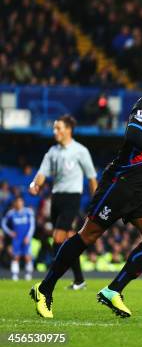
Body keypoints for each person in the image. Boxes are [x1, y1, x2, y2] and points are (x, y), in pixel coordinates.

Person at [30, 62, 142, 319]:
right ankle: (44, 289)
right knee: (88, 236)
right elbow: (133, 134)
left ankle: (114, 290)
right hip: (121, 182)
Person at [29, 114, 98, 290]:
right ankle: (79, 280)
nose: (55, 131)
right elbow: (42, 173)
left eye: (58, 128)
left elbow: (91, 178)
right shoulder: (52, 152)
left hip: (72, 198)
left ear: (68, 130)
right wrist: (36, 185)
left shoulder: (80, 150)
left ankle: (49, 281)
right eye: (54, 128)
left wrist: (97, 201)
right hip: (56, 198)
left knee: (57, 239)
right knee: (68, 241)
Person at [1, 197, 35, 281]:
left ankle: (28, 275)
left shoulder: (28, 212)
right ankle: (15, 276)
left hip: (26, 237)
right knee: (15, 256)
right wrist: (10, 232)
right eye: (17, 202)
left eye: (20, 202)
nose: (19, 204)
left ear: (23, 203)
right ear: (15, 203)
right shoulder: (11, 213)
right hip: (16, 238)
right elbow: (3, 223)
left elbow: (32, 225)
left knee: (27, 256)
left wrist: (28, 236)